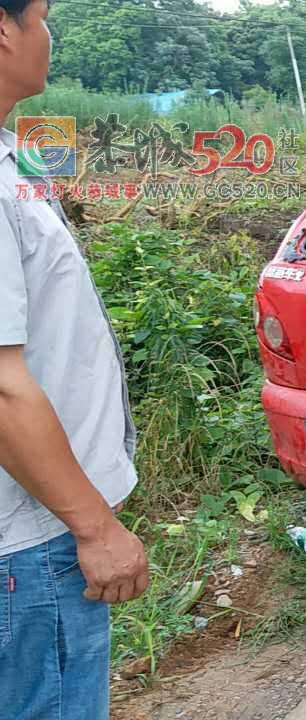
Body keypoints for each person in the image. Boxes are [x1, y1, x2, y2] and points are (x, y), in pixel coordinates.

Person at [0, 1, 150, 717]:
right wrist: (93, 527)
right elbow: (1, 388)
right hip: (32, 545)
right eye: (43, 16)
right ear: (5, 30)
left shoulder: (12, 162)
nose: (48, 35)